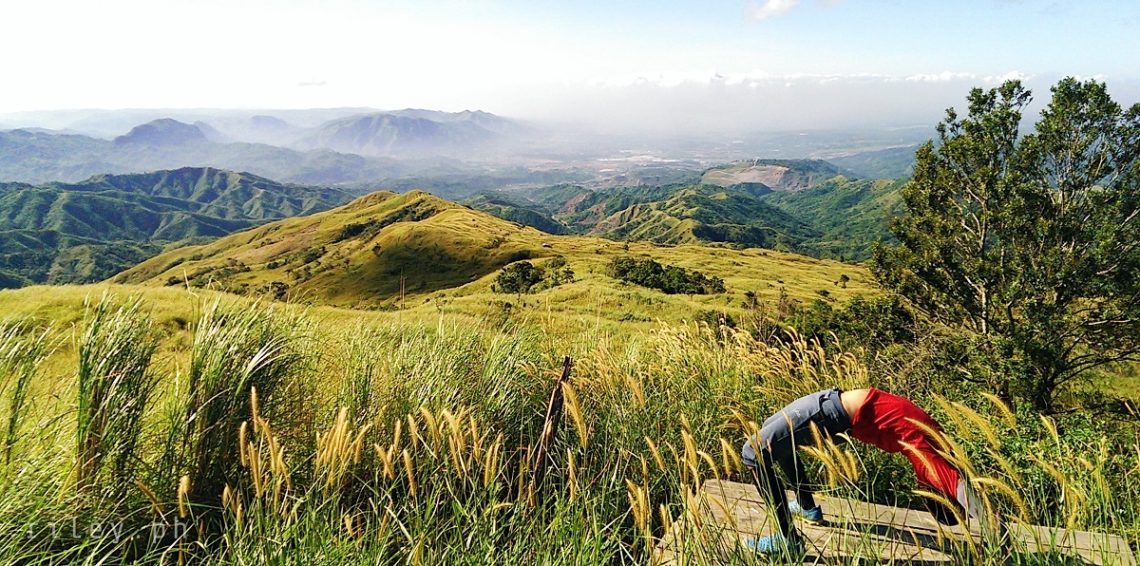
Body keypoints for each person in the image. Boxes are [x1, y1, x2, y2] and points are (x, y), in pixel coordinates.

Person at [741, 387, 995, 554]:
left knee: (753, 452)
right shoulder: (933, 456)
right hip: (830, 405)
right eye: (932, 501)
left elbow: (958, 484)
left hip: (832, 411)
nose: (923, 494)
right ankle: (808, 508)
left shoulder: (931, 454)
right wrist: (996, 531)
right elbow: (962, 487)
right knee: (772, 440)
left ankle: (788, 541)